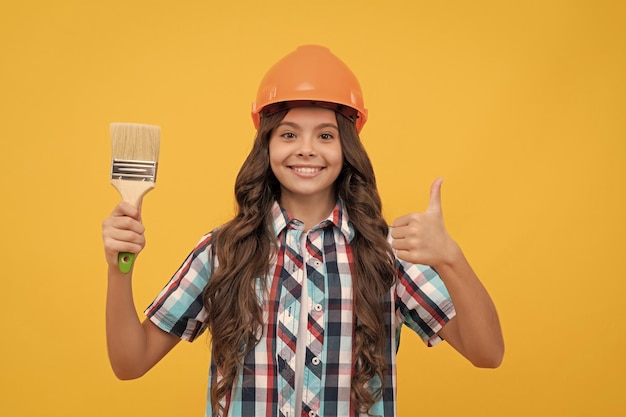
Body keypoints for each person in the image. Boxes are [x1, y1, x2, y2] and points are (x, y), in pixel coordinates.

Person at [102, 45, 504, 417]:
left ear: (347, 148)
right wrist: (119, 267)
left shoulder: (387, 255)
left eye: (325, 135)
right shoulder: (223, 251)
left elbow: (487, 353)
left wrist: (451, 257)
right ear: (268, 145)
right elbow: (130, 362)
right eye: (289, 134)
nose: (306, 148)